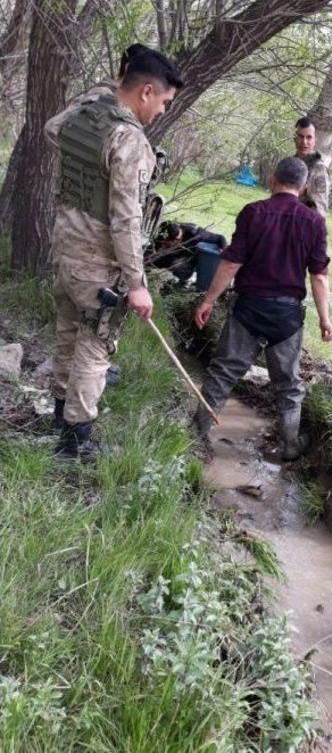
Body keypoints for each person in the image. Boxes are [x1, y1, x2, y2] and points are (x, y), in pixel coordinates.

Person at [45, 45, 183, 460]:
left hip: (65, 244)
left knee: (69, 332)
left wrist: (101, 93)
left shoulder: (87, 114)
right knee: (95, 346)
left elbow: (52, 128)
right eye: (163, 101)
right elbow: (126, 221)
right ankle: (76, 441)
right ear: (145, 91)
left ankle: (58, 416)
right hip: (97, 260)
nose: (161, 111)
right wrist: (138, 285)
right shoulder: (130, 140)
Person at [194, 156, 332, 459]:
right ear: (304, 186)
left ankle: (197, 437)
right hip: (286, 316)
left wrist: (208, 300)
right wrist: (326, 320)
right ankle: (289, 445)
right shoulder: (314, 222)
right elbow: (319, 276)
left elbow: (232, 262)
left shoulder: (253, 212)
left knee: (223, 372)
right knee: (288, 385)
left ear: (273, 179)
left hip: (248, 307)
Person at [149, 221, 228, 284]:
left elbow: (220, 238)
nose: (175, 241)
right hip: (172, 253)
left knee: (177, 265)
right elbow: (155, 247)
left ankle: (183, 279)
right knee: (154, 259)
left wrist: (223, 251)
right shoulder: (165, 230)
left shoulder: (195, 233)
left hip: (187, 257)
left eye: (177, 240)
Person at [294, 116, 331, 216]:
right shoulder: (290, 164)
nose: (304, 142)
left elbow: (320, 209)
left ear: (315, 141)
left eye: (309, 137)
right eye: (301, 136)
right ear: (295, 138)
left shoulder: (318, 168)